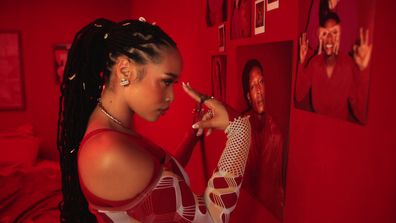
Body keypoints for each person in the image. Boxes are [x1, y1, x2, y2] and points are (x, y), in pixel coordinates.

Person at [57, 18, 251, 223]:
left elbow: (159, 186)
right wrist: (239, 129)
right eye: (166, 81)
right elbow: (211, 219)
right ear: (125, 71)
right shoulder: (109, 153)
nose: (172, 97)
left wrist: (191, 137)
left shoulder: (110, 126)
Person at [296, 12, 372, 124]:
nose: (330, 38)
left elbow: (361, 114)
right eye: (325, 33)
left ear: (340, 36)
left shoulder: (348, 65)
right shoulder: (314, 63)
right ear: (320, 37)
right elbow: (298, 95)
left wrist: (363, 70)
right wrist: (301, 62)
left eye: (334, 32)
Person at [241, 59, 285, 220]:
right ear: (248, 97)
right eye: (253, 86)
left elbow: (277, 186)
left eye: (261, 82)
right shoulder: (242, 127)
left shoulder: (276, 135)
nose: (259, 91)